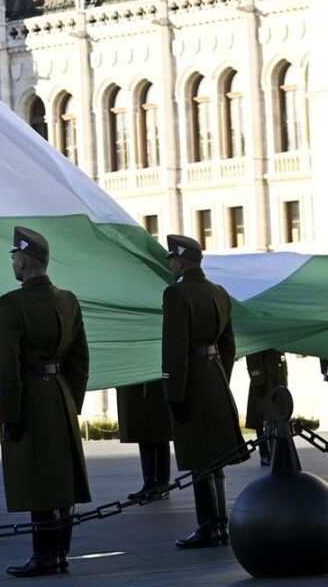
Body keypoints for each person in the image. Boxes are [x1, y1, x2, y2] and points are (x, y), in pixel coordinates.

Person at [0, 227, 91, 578]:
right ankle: (60, 552)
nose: (13, 262)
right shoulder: (68, 300)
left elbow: (6, 365)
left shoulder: (11, 303)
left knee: (38, 476)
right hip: (60, 393)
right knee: (60, 477)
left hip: (32, 396)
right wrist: (70, 399)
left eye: (14, 257)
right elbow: (80, 359)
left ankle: (45, 555)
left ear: (23, 260)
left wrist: (7, 411)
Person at [161, 235, 246, 549]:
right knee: (216, 456)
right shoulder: (219, 293)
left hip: (192, 379)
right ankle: (220, 523)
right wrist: (219, 374)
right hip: (215, 376)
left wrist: (174, 392)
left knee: (199, 453)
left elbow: (175, 348)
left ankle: (209, 525)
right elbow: (228, 344)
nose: (171, 265)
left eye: (172, 260)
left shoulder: (176, 294)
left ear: (180, 262)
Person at [116, 379, 172, 500]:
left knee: (160, 434)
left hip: (155, 382)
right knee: (142, 432)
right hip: (137, 382)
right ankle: (149, 483)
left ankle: (162, 484)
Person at [244, 349, 288, 467]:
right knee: (263, 417)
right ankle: (265, 454)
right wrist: (257, 378)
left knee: (276, 417)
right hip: (265, 378)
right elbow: (254, 351)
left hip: (277, 376)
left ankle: (275, 453)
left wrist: (284, 374)